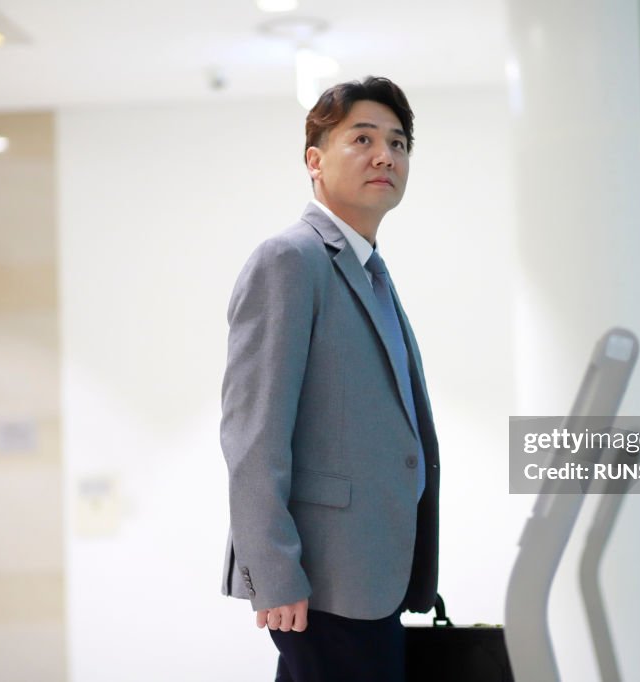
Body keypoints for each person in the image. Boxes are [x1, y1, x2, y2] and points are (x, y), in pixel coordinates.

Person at [219, 76, 440, 682]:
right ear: (314, 161)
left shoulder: (371, 270)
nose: (384, 156)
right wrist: (275, 574)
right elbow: (252, 435)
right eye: (362, 139)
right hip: (322, 583)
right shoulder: (289, 260)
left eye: (398, 144)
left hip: (375, 574)